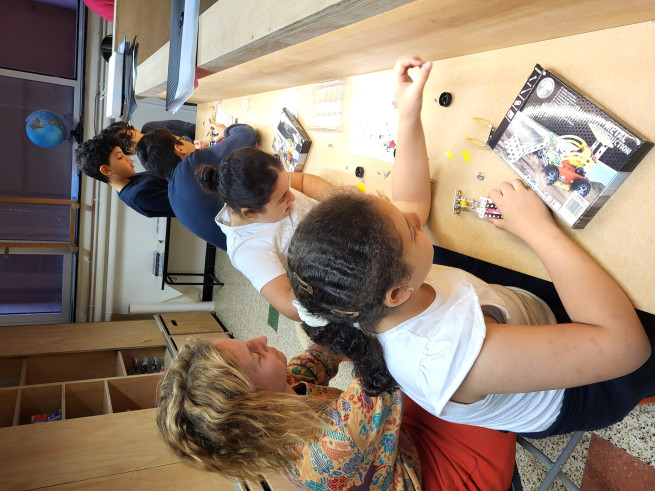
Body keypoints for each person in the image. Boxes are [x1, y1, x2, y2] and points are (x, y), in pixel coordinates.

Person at [286, 55, 654, 438]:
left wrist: (408, 113)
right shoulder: (449, 356)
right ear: (397, 291)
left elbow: (410, 203)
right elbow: (627, 347)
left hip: (522, 314)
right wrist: (537, 229)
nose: (412, 217)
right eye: (410, 230)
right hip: (592, 385)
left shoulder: (369, 291)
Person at [156, 336, 518, 490]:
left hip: (395, 436)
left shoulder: (277, 399)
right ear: (257, 407)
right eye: (255, 355)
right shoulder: (327, 452)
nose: (262, 341)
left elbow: (322, 353)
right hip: (444, 473)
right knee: (470, 352)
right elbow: (379, 364)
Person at [195, 146, 338, 321]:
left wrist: (339, 196)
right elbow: (292, 307)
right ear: (251, 213)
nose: (292, 197)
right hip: (333, 267)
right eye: (283, 198)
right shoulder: (246, 250)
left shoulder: (266, 181)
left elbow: (301, 181)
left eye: (287, 186)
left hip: (335, 224)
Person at [136, 124, 257, 250]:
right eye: (181, 139)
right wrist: (225, 131)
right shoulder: (192, 165)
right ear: (179, 148)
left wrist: (204, 154)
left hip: (247, 252)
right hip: (264, 232)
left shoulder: (173, 198)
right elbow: (246, 134)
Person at [75, 132, 175, 218]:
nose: (127, 158)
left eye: (123, 154)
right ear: (106, 170)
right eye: (120, 157)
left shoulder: (132, 179)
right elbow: (182, 202)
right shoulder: (139, 195)